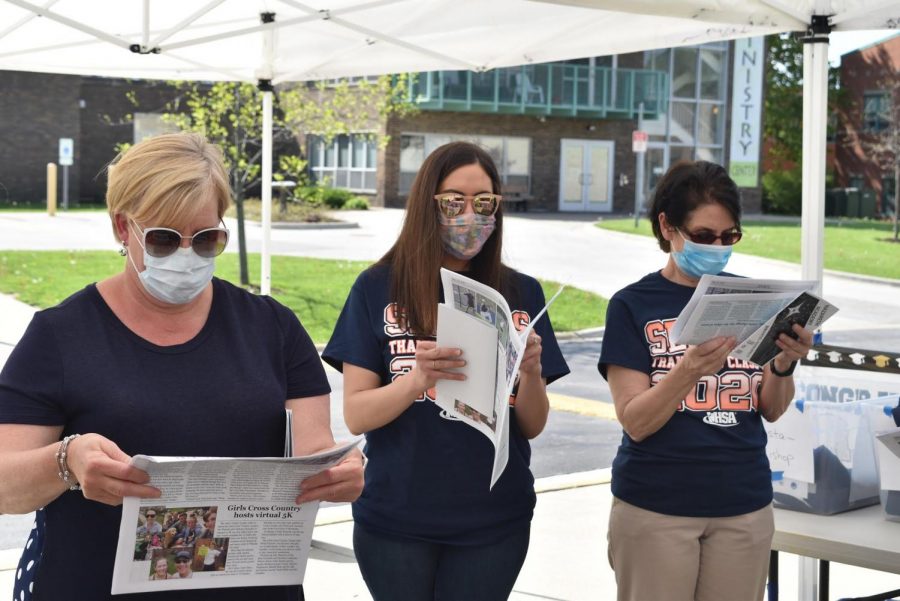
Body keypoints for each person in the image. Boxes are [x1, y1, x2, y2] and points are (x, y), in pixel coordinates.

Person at [0, 132, 364, 601]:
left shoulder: (272, 327)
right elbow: (7, 487)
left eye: (207, 238)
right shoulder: (60, 335)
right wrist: (67, 460)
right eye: (165, 239)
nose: (187, 255)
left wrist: (342, 473)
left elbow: (314, 452)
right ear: (122, 229)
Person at [323, 141, 569, 600]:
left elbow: (531, 425)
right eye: (453, 201)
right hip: (398, 516)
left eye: (485, 202)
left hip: (494, 516)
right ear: (426, 205)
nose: (469, 215)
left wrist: (532, 373)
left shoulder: (521, 293)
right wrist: (417, 380)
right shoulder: (377, 287)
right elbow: (356, 414)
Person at [598, 161, 813, 601]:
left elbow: (770, 408)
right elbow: (635, 420)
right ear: (667, 226)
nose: (717, 247)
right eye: (703, 236)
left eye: (728, 237)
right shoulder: (632, 305)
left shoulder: (751, 298)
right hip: (656, 505)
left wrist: (784, 365)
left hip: (743, 503)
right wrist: (688, 371)